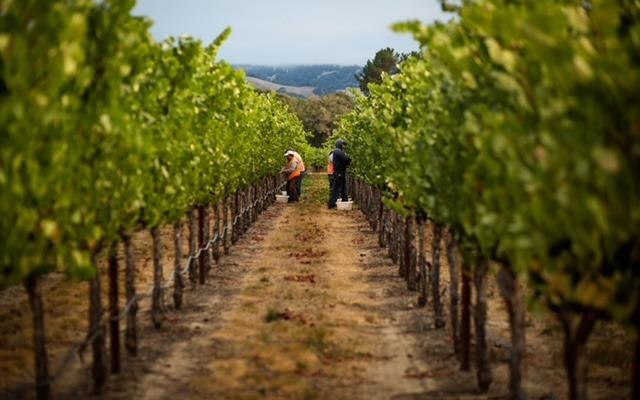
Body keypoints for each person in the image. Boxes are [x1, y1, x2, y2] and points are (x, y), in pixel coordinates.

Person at [328, 139, 351, 209]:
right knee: (337, 188)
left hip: (340, 172)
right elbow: (346, 159)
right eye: (343, 145)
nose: (344, 146)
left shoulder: (338, 151)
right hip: (339, 172)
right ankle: (332, 204)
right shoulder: (338, 151)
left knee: (343, 187)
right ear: (340, 145)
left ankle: (345, 201)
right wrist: (350, 160)